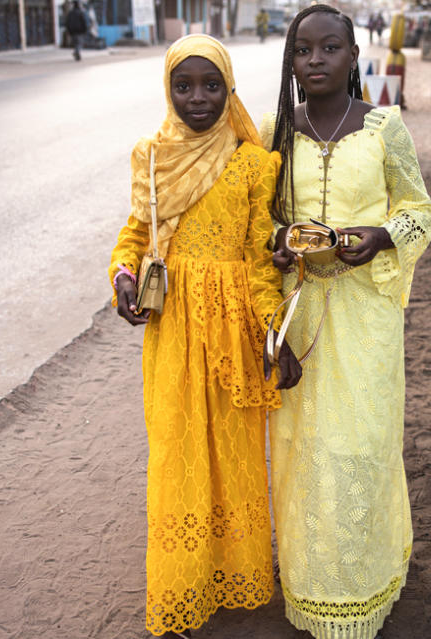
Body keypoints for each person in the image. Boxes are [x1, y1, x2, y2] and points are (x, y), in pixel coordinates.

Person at [108, 34, 300, 638]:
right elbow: (134, 236)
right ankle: (183, 585)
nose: (197, 98)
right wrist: (120, 274)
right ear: (168, 90)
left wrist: (274, 330)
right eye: (183, 86)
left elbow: (257, 259)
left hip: (232, 333)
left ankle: (232, 573)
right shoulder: (154, 156)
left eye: (211, 85)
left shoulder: (250, 161)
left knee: (234, 454)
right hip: (172, 334)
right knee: (177, 455)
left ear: (230, 88)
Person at [260, 4, 431, 638]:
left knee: (361, 445)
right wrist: (281, 241)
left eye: (328, 48)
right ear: (291, 62)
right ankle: (311, 583)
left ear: (352, 56)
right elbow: (262, 220)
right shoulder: (275, 134)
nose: (314, 60)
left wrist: (383, 236)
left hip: (366, 315)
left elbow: (421, 209)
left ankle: (363, 582)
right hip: (300, 310)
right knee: (302, 450)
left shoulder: (385, 128)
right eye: (302, 51)